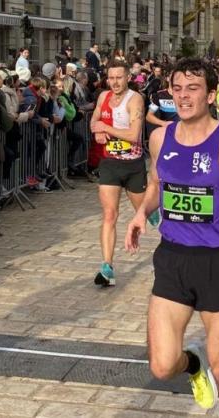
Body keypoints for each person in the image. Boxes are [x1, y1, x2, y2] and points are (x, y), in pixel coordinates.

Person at [124, 58, 219, 417]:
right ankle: (193, 364)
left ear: (210, 94)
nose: (183, 96)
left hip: (215, 263)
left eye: (192, 89)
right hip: (172, 259)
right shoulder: (160, 137)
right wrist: (141, 213)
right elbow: (157, 185)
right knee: (161, 366)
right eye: (177, 89)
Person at [90, 60, 147, 287]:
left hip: (133, 166)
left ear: (127, 78)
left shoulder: (135, 99)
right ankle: (107, 267)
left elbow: (134, 135)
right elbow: (94, 119)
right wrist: (96, 131)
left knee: (148, 213)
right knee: (109, 215)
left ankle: (179, 251)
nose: (114, 82)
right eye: (111, 77)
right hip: (110, 163)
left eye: (119, 77)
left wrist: (106, 128)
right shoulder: (103, 97)